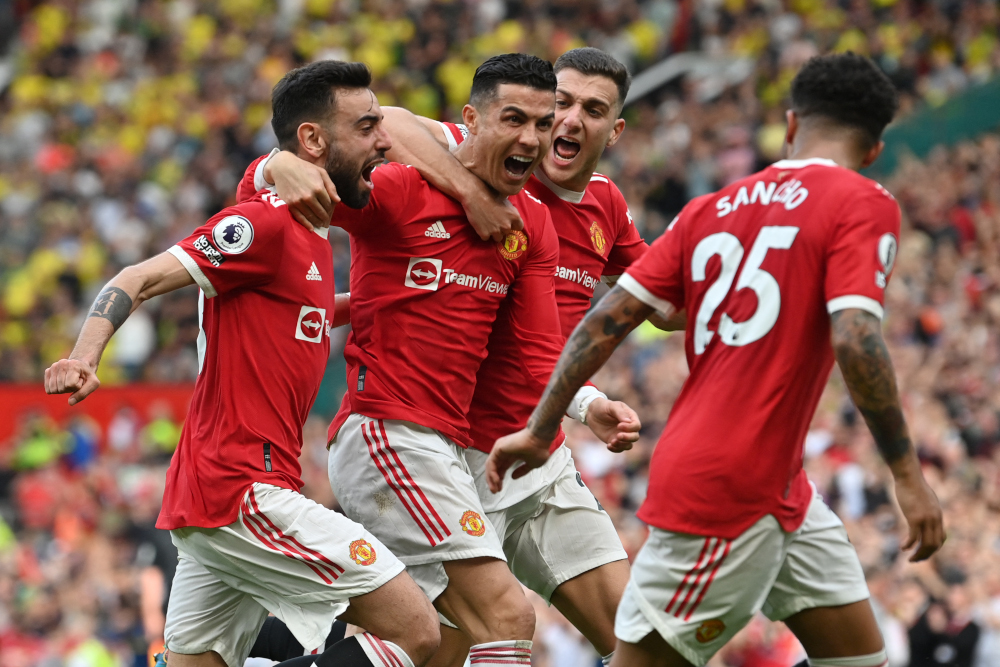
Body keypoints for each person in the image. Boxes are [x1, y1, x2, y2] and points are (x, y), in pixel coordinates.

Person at [487, 52, 947, 667]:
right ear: (874, 150)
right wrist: (907, 474)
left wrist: (542, 425)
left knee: (860, 661)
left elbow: (606, 320)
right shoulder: (864, 200)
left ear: (789, 125)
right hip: (724, 484)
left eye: (591, 109)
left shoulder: (711, 208)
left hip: (782, 485)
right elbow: (857, 337)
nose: (569, 121)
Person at [252, 48, 661, 667]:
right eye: (546, 111)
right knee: (482, 625)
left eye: (580, 112)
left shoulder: (553, 220)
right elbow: (346, 150)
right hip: (423, 442)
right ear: (470, 120)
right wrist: (273, 165)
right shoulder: (415, 178)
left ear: (615, 128)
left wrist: (588, 403)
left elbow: (540, 349)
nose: (553, 128)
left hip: (527, 456)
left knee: (633, 642)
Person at [44, 60, 440, 667]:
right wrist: (82, 357)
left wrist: (386, 301)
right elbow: (137, 277)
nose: (384, 140)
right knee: (416, 631)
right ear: (313, 140)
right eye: (366, 127)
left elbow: (304, 312)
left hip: (221, 499)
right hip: (239, 489)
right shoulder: (265, 224)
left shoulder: (311, 236)